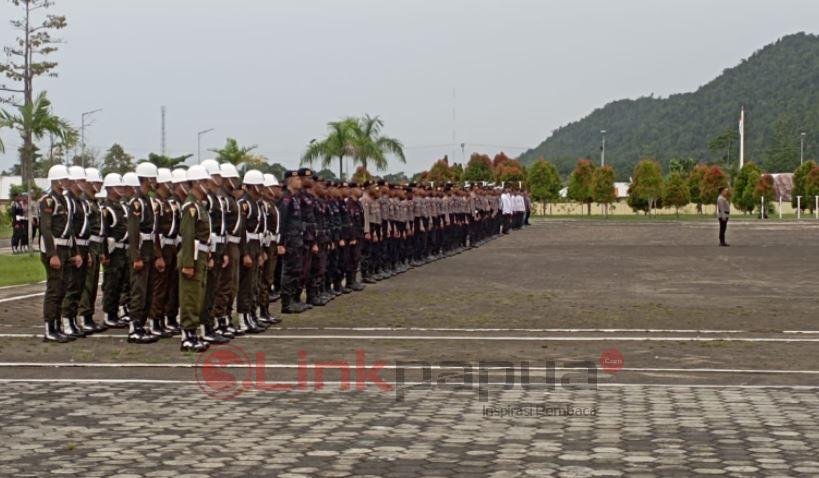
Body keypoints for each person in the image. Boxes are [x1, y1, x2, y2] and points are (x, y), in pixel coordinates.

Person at [39, 165, 82, 342]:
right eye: (65, 179)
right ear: (56, 180)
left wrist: (75, 252)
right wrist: (52, 254)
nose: (68, 182)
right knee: (54, 289)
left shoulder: (64, 201)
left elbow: (70, 230)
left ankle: (56, 326)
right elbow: (45, 228)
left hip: (65, 248)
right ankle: (50, 329)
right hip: (54, 249)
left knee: (63, 288)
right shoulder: (48, 201)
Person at [177, 165, 213, 352]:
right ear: (197, 183)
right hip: (193, 256)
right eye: (205, 181)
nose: (208, 184)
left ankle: (193, 333)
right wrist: (188, 263)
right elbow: (188, 235)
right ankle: (187, 336)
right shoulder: (190, 207)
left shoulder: (199, 205)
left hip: (201, 255)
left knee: (198, 295)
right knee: (190, 296)